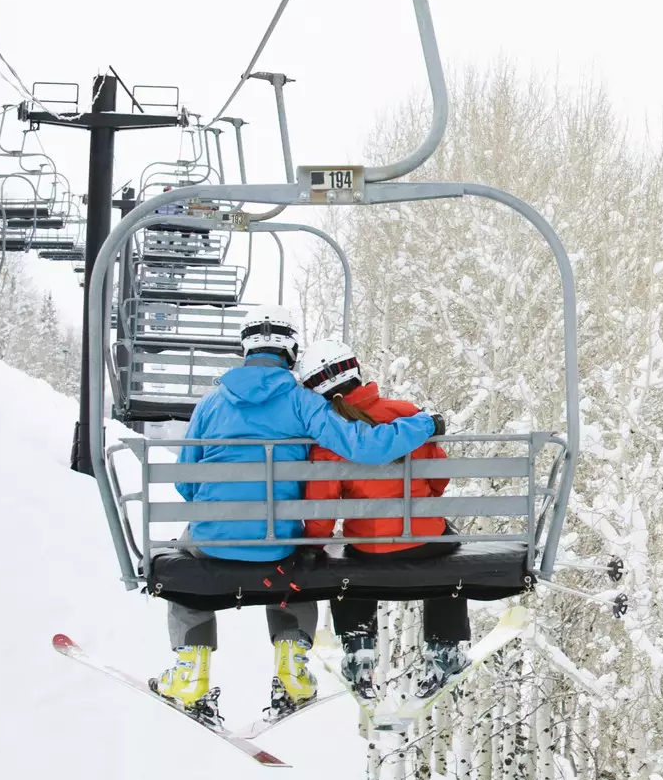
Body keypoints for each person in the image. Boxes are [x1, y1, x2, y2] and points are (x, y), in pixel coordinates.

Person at [155, 307, 439, 722]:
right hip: (278, 541)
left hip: (214, 540)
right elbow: (366, 448)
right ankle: (291, 668)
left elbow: (185, 482)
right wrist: (424, 425)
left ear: (245, 348)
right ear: (290, 350)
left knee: (185, 560)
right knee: (294, 558)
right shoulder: (304, 403)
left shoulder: (211, 404)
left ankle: (189, 673)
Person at [296, 338, 472, 700]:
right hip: (424, 541)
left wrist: (315, 542)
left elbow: (322, 505)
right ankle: (446, 648)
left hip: (368, 546)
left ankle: (359, 650)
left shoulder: (330, 437)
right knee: (447, 550)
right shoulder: (406, 415)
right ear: (356, 370)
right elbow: (438, 475)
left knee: (342, 558)